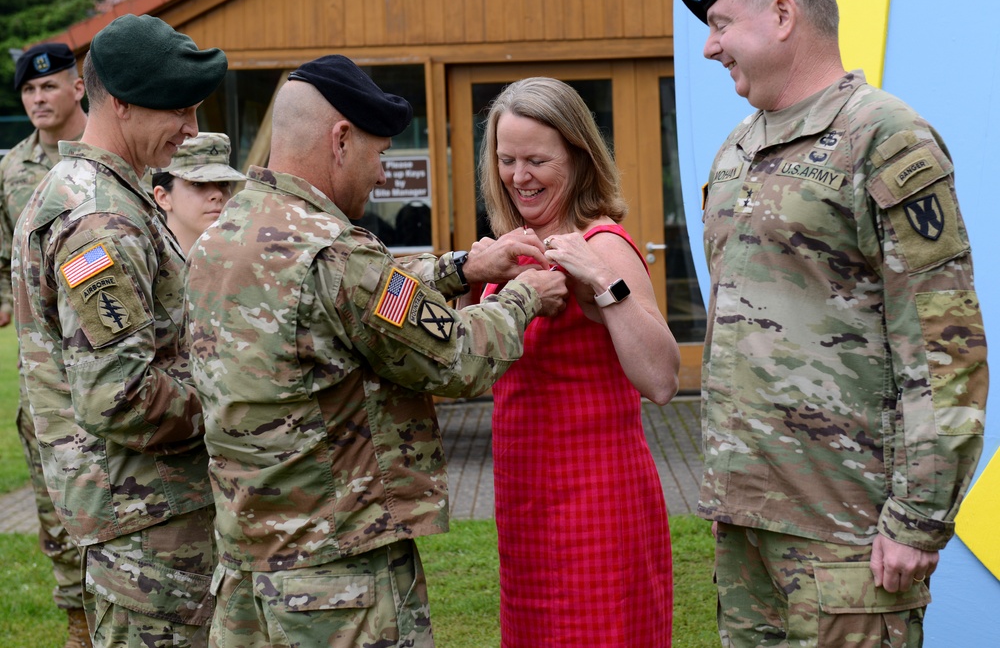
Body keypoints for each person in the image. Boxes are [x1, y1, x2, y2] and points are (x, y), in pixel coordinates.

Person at [183, 54, 568, 648]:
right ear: (341, 140)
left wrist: (461, 268)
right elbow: (457, 357)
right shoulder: (334, 253)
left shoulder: (226, 233)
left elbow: (352, 301)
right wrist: (522, 296)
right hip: (339, 584)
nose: (382, 172)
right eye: (379, 151)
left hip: (247, 574)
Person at [672, 0, 989, 647]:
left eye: (720, 25)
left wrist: (919, 518)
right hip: (748, 531)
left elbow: (945, 347)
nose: (709, 47)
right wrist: (732, 484)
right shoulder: (736, 150)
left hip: (849, 540)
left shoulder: (885, 138)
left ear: (783, 15)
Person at [12, 14, 229, 648]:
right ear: (125, 105)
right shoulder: (102, 220)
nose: (191, 128)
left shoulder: (101, 192)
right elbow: (120, 396)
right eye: (179, 110)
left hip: (143, 512)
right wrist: (235, 386)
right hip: (149, 525)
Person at [473, 76, 680, 647]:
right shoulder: (510, 246)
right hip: (525, 507)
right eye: (507, 159)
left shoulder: (603, 242)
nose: (519, 176)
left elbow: (662, 380)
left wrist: (598, 279)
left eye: (537, 159)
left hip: (596, 506)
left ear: (579, 156)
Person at [0, 42, 91, 648]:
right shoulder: (10, 170)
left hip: (117, 352)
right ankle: (78, 623)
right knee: (54, 495)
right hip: (46, 365)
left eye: (49, 87)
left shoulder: (104, 156)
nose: (38, 98)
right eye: (29, 91)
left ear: (77, 88)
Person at [150, 131, 246, 254]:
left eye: (223, 183)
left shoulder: (242, 260)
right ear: (163, 198)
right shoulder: (143, 262)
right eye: (197, 184)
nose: (218, 194)